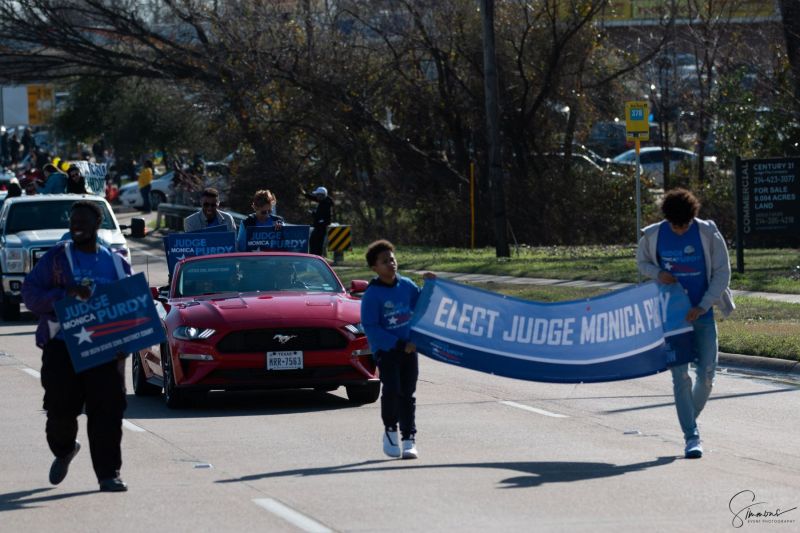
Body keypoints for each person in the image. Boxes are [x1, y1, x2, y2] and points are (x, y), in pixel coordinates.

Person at [21, 200, 133, 492]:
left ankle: (109, 474)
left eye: (83, 221)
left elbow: (134, 306)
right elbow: (30, 293)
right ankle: (65, 448)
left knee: (107, 410)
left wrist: (128, 342)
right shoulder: (57, 258)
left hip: (105, 349)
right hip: (62, 346)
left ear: (97, 225)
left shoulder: (116, 262)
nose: (76, 226)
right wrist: (65, 294)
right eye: (73, 222)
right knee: (60, 409)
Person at [636, 188, 734, 459]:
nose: (679, 230)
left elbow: (722, 273)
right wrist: (657, 273)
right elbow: (641, 262)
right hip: (671, 317)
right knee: (680, 376)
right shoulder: (654, 234)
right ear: (667, 220)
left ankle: (689, 416)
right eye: (675, 225)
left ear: (693, 217)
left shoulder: (708, 233)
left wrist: (703, 305)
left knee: (707, 373)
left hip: (702, 312)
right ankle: (692, 436)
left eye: (684, 225)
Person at [360, 239, 434, 460]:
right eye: (384, 261)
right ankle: (390, 430)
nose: (390, 264)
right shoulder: (372, 295)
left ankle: (409, 438)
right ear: (375, 267)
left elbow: (422, 304)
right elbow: (371, 327)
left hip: (410, 351)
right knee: (392, 390)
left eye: (392, 259)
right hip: (388, 351)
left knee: (408, 394)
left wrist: (430, 286)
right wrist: (399, 344)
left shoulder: (407, 285)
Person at [303, 186, 334, 256]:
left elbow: (320, 217)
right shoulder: (325, 201)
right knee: (313, 242)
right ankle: (316, 257)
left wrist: (312, 213)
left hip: (321, 228)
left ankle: (316, 257)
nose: (316, 196)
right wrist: (305, 194)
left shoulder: (325, 204)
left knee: (316, 244)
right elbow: (314, 198)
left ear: (322, 195)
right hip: (319, 227)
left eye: (318, 195)